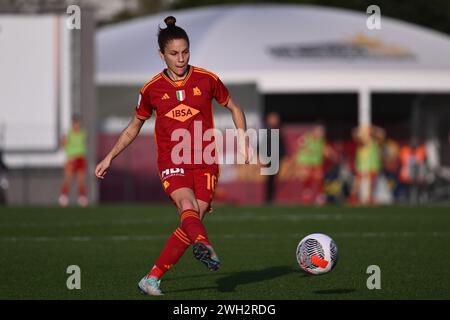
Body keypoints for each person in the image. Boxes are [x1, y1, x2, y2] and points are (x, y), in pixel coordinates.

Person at [95, 16, 249, 296]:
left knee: (192, 220)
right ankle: (205, 245)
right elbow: (133, 129)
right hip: (172, 161)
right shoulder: (151, 89)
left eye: (185, 52)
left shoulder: (207, 79)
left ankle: (151, 278)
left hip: (205, 161)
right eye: (174, 54)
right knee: (186, 206)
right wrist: (109, 157)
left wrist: (244, 142)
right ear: (161, 54)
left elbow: (235, 108)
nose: (181, 59)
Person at [294, 125, 335, 204]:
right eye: (319, 131)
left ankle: (320, 196)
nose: (321, 134)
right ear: (314, 131)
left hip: (316, 163)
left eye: (322, 132)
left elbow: (326, 150)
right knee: (307, 178)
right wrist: (301, 157)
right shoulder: (307, 137)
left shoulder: (321, 140)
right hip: (306, 163)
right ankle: (306, 195)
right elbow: (298, 145)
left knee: (319, 179)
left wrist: (333, 156)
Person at [350, 125, 385, 205]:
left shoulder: (375, 141)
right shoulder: (362, 142)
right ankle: (353, 197)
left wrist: (374, 128)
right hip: (363, 165)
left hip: (373, 165)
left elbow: (382, 134)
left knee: (372, 183)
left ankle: (370, 198)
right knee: (358, 182)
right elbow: (355, 134)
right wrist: (361, 130)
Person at [59, 115, 88, 207]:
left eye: (78, 123)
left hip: (81, 158)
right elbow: (63, 144)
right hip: (71, 158)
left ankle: (82, 198)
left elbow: (82, 145)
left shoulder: (82, 133)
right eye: (75, 123)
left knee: (81, 180)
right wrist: (67, 157)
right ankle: (64, 197)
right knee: (68, 178)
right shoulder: (68, 133)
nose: (76, 125)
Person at [264, 111, 286, 203]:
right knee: (269, 179)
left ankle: (270, 198)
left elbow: (281, 146)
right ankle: (268, 198)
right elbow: (262, 145)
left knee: (273, 179)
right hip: (268, 158)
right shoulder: (266, 131)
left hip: (275, 158)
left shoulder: (278, 131)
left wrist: (282, 156)